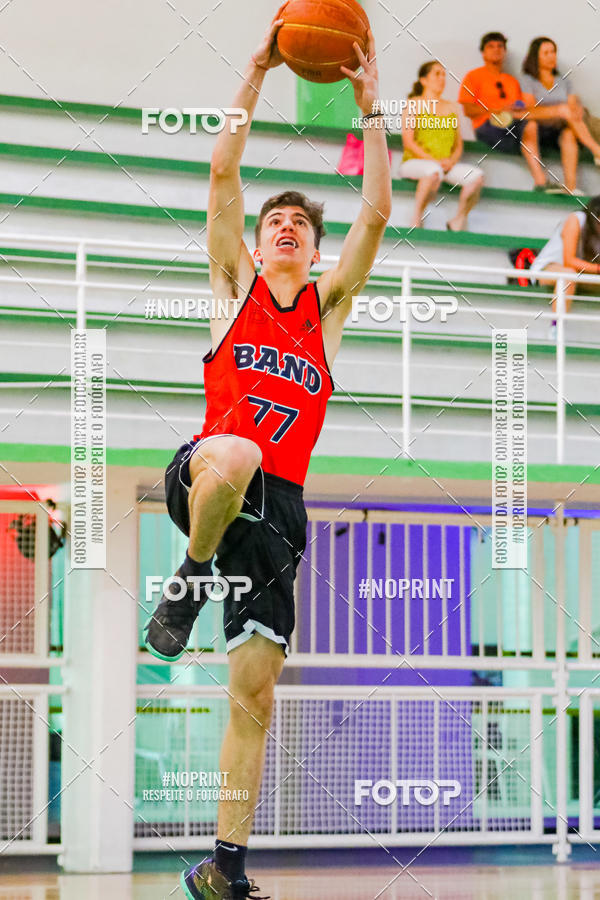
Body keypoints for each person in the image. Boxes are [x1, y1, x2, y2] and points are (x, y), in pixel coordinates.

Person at [144, 13, 391, 900]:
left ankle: (229, 867)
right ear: (256, 240)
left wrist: (371, 109)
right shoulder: (236, 289)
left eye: (299, 223)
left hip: (279, 513)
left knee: (253, 697)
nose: (284, 226)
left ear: (316, 251)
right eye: (274, 219)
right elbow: (222, 173)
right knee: (240, 447)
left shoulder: (327, 312)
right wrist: (253, 70)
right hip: (208, 470)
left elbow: (378, 211)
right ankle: (188, 573)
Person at [458, 32, 550, 191]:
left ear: (505, 52)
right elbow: (468, 109)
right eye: (491, 46)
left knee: (533, 124)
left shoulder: (512, 81)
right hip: (488, 127)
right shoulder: (473, 76)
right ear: (483, 52)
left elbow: (520, 109)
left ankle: (541, 182)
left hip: (511, 126)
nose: (496, 50)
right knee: (528, 126)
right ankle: (541, 180)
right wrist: (498, 109)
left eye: (500, 46)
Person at [399, 60, 484, 230]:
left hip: (445, 165)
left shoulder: (452, 107)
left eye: (444, 74)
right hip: (415, 163)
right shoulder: (414, 104)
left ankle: (459, 219)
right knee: (433, 172)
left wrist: (451, 161)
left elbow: (458, 144)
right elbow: (408, 142)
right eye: (437, 74)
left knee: (476, 176)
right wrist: (435, 161)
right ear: (424, 80)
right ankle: (416, 218)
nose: (442, 78)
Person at [520, 37, 600, 195]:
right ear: (536, 57)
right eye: (546, 53)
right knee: (564, 110)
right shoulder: (527, 80)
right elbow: (530, 108)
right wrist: (558, 110)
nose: (552, 56)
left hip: (562, 126)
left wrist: (576, 109)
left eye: (553, 52)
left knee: (569, 133)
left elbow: (572, 105)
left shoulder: (563, 81)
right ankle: (597, 150)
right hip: (540, 127)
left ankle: (570, 187)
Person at [530, 195, 600, 332]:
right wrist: (598, 268)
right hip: (548, 269)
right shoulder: (577, 219)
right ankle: (556, 328)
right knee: (568, 274)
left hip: (582, 276)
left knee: (572, 275)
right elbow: (569, 261)